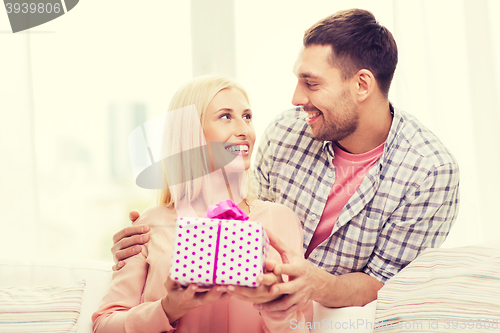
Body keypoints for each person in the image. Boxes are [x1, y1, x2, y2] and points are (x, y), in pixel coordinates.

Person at [110, 8, 460, 314]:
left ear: (362, 84)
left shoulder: (430, 172)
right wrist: (152, 247)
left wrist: (313, 285)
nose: (296, 98)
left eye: (311, 83)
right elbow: (247, 212)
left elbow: (388, 284)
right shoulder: (286, 132)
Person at [92, 75, 312, 333]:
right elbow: (104, 325)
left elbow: (304, 327)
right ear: (189, 133)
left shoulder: (280, 220)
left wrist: (275, 306)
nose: (245, 130)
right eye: (226, 116)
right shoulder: (149, 225)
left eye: (247, 116)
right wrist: (168, 308)